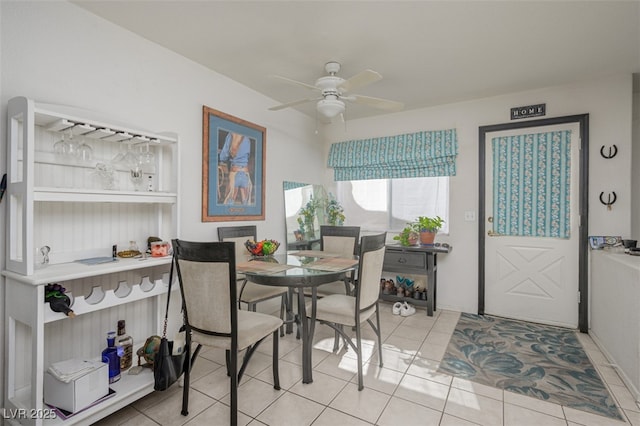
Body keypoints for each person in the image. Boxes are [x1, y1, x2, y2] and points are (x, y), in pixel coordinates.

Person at [219, 132, 252, 205]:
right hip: (245, 175)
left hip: (234, 175)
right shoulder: (247, 138)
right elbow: (247, 156)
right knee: (246, 206)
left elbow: (223, 157)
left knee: (229, 204)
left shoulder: (230, 135)